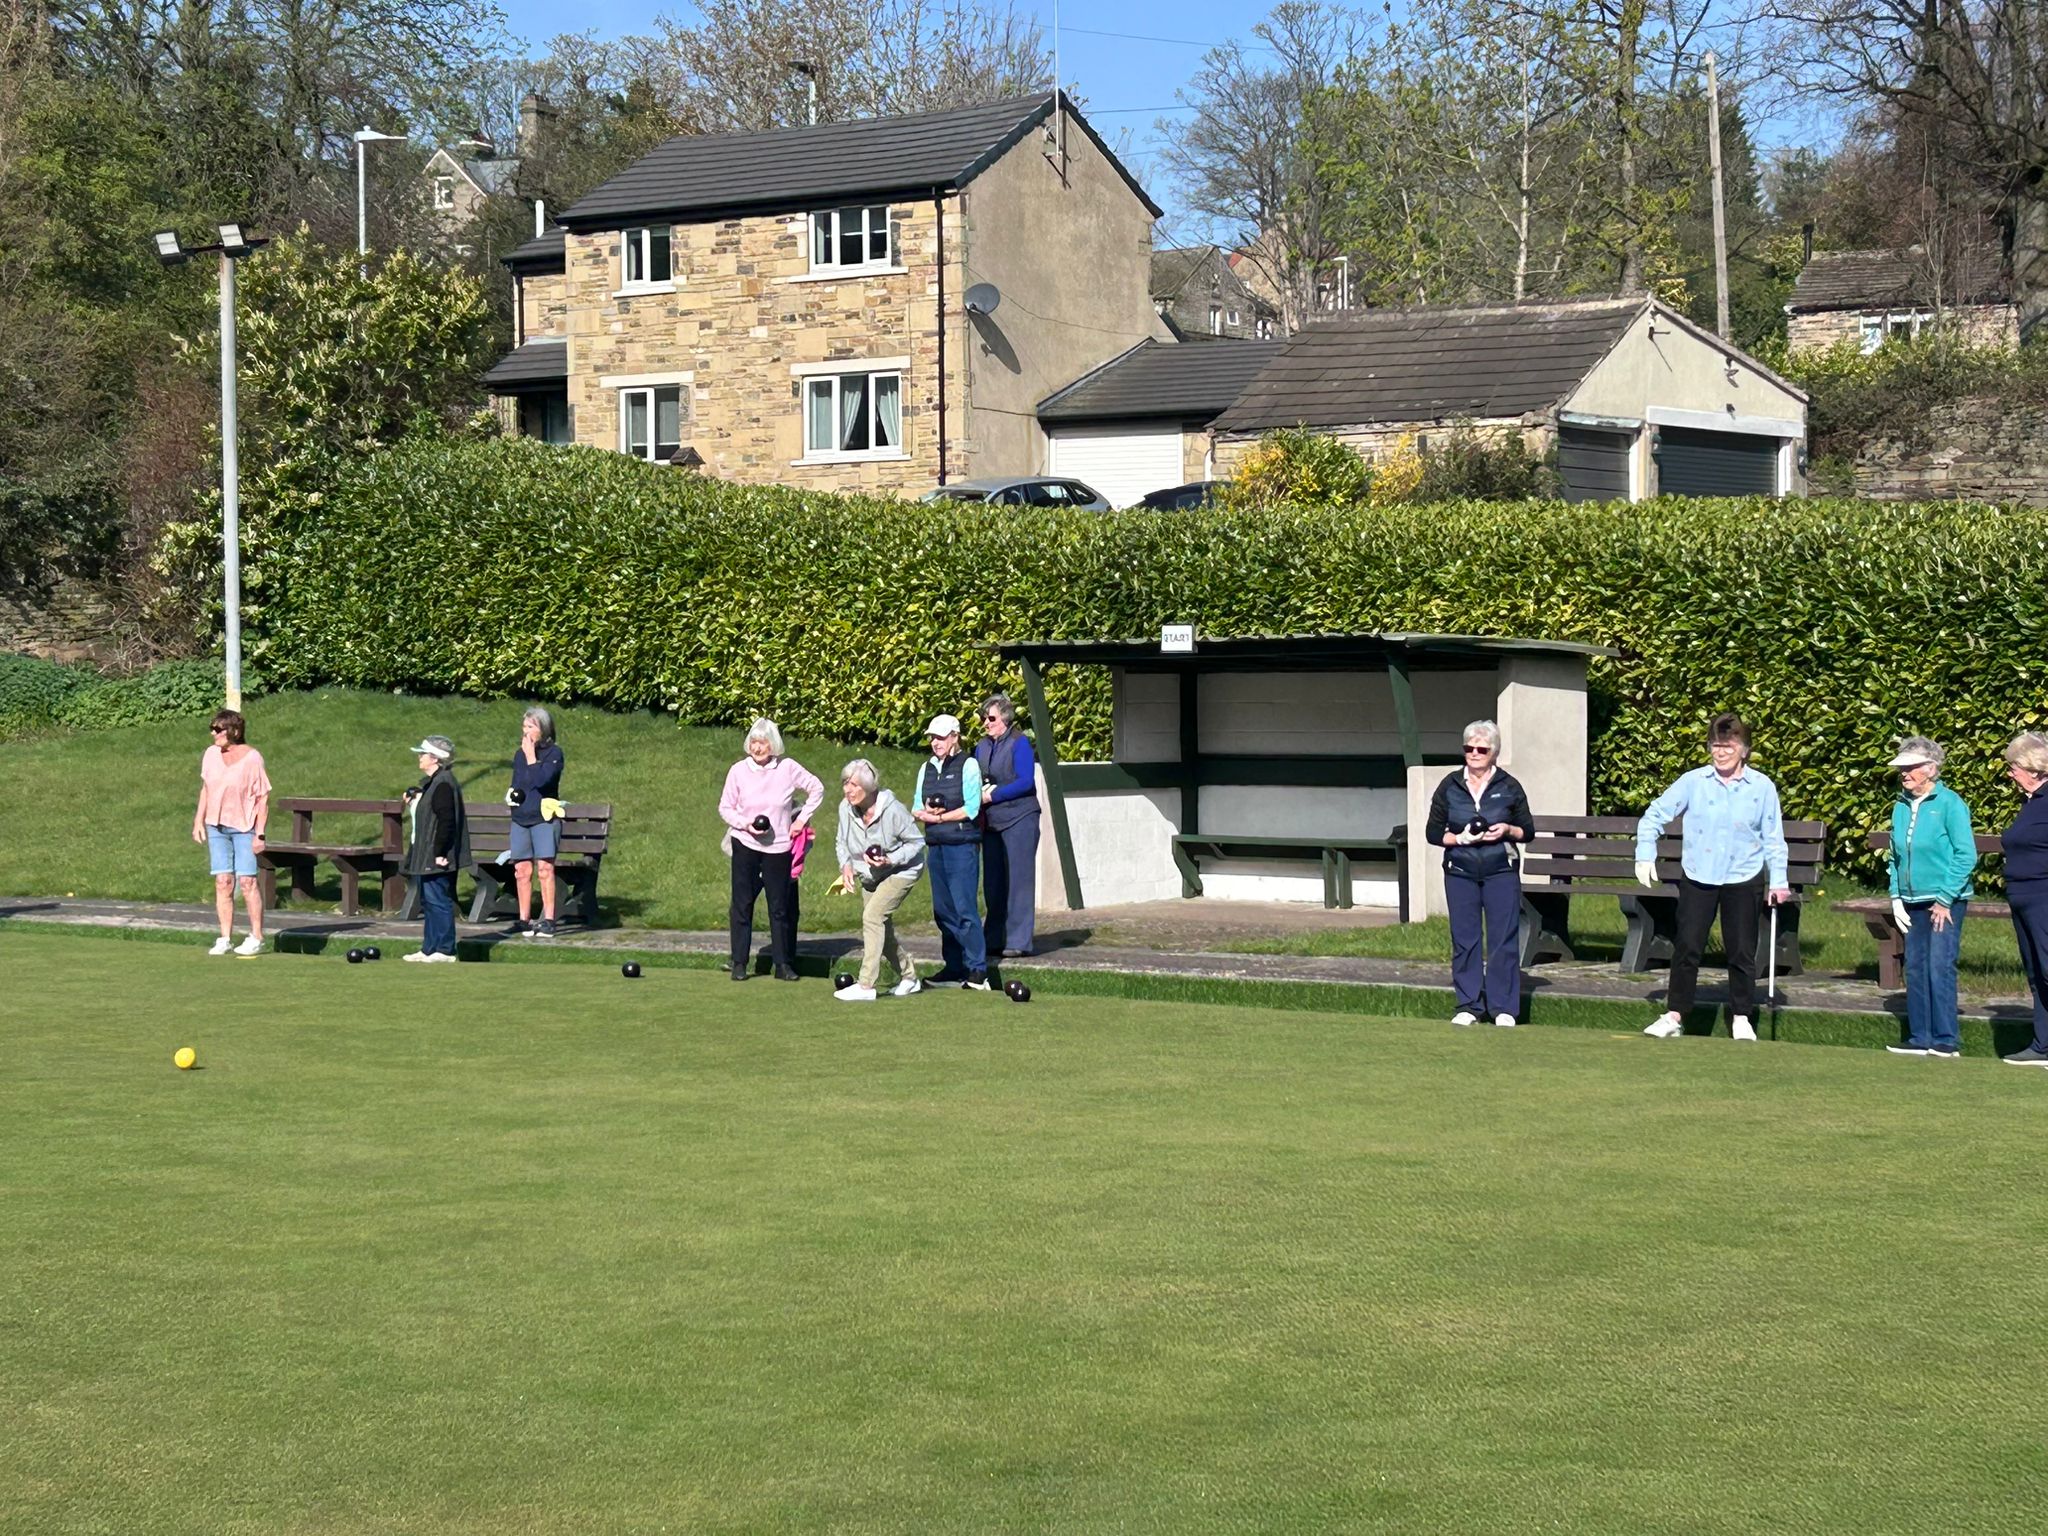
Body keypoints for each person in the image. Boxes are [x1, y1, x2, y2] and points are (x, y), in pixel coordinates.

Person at [1635, 712, 1791, 1041]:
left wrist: (1778, 880)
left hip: (1743, 876)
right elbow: (1655, 815)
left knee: (1741, 951)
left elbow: (1773, 838)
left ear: (1744, 750)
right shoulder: (1693, 781)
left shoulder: (1762, 787)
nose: (1720, 753)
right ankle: (1675, 1014)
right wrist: (1645, 852)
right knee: (1688, 946)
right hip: (1699, 875)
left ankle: (1741, 1016)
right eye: (1715, 746)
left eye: (1728, 746)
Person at [1423, 720, 1535, 1027]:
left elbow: (1528, 831)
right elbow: (1433, 833)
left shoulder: (1509, 787)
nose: (1474, 753)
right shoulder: (1449, 785)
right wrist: (1461, 839)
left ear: (1494, 753)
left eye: (1481, 749)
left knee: (1503, 939)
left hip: (1501, 869)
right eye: (1468, 748)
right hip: (1460, 870)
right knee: (1465, 939)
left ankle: (1503, 1008)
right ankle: (1469, 1006)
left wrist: (1507, 829)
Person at [1883, 737, 1976, 1059]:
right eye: (1902, 768)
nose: (1904, 774)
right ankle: (1919, 1037)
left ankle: (1945, 1040)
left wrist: (1946, 898)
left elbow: (1966, 854)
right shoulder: (1899, 805)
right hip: (1911, 900)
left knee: (1940, 966)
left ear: (1930, 769)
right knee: (1916, 967)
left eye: (1910, 768)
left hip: (1944, 902)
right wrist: (1896, 896)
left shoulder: (1950, 803)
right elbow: (1894, 856)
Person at [718, 718, 822, 982]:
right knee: (742, 905)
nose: (757, 747)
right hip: (745, 844)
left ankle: (782, 964)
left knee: (779, 908)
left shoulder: (787, 768)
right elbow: (725, 808)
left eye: (763, 742)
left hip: (779, 848)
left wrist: (799, 821)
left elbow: (816, 789)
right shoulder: (738, 771)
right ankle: (739, 962)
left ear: (773, 745)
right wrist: (745, 825)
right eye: (753, 741)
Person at [831, 758, 927, 1002]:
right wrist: (846, 866)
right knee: (881, 931)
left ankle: (865, 986)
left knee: (872, 917)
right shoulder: (845, 807)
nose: (847, 790)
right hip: (870, 874)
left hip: (902, 870)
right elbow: (841, 841)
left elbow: (916, 842)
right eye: (845, 784)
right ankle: (909, 977)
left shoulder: (893, 810)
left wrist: (890, 859)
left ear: (869, 787)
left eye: (853, 785)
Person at [913, 713, 990, 989]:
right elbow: (915, 806)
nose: (936, 742)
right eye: (933, 738)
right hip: (936, 845)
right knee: (943, 910)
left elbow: (971, 808)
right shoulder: (926, 768)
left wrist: (940, 818)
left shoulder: (968, 765)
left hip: (962, 845)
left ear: (955, 737)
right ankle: (954, 966)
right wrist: (927, 814)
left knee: (964, 908)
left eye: (941, 737)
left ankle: (977, 969)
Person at [191, 708, 272, 956]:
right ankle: (224, 937)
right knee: (223, 881)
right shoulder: (211, 755)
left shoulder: (252, 758)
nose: (213, 734)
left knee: (247, 881)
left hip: (244, 826)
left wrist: (260, 834)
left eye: (218, 729)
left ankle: (256, 937)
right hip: (216, 825)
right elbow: (206, 788)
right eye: (212, 728)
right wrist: (198, 820)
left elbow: (262, 797)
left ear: (234, 731)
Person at [973, 693, 1043, 958]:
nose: (986, 723)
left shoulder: (1019, 743)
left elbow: (1026, 781)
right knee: (993, 882)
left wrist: (993, 795)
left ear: (1004, 717)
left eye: (990, 718)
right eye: (983, 718)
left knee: (1018, 881)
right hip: (991, 822)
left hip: (1020, 818)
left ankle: (1018, 941)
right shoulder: (982, 746)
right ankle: (993, 938)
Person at [1998, 732, 2048, 1068]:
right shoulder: (2030, 803)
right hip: (2021, 897)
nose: (2010, 773)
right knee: (2036, 973)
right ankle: (2043, 1045)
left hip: (2044, 896)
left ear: (2032, 767)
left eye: (2014, 766)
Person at [403, 735, 470, 964]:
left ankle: (445, 949)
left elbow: (446, 820)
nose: (419, 758)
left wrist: (440, 852)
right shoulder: (433, 782)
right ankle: (429, 948)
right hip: (427, 854)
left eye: (423, 754)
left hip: (436, 855)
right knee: (428, 901)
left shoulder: (443, 783)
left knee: (438, 899)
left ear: (435, 758)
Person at [506, 706, 566, 938]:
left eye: (531, 726)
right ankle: (524, 919)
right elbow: (519, 783)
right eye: (524, 726)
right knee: (521, 870)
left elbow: (542, 780)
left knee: (544, 868)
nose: (526, 731)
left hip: (544, 816)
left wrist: (532, 757)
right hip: (521, 816)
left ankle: (548, 919)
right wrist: (511, 797)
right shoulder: (519, 754)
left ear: (544, 729)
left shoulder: (554, 754)